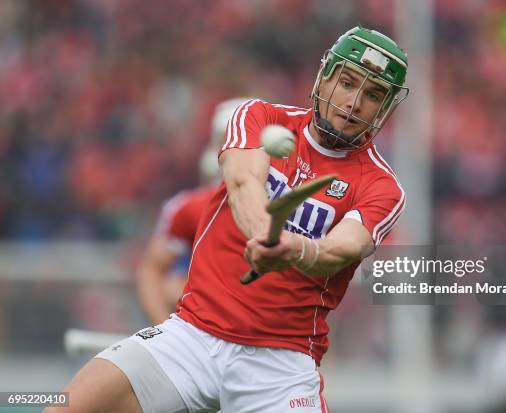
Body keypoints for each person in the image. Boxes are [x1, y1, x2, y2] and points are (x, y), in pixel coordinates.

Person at [46, 26, 409, 413]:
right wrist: (260, 232)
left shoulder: (383, 186)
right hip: (191, 337)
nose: (354, 103)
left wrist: (296, 248)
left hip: (281, 366)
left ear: (385, 108)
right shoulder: (259, 115)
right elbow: (242, 180)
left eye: (372, 95)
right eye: (348, 82)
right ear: (325, 77)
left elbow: (346, 245)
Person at [137, 98, 247, 324]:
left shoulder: (290, 207)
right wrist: (162, 330)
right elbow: (152, 272)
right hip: (202, 328)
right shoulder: (190, 209)